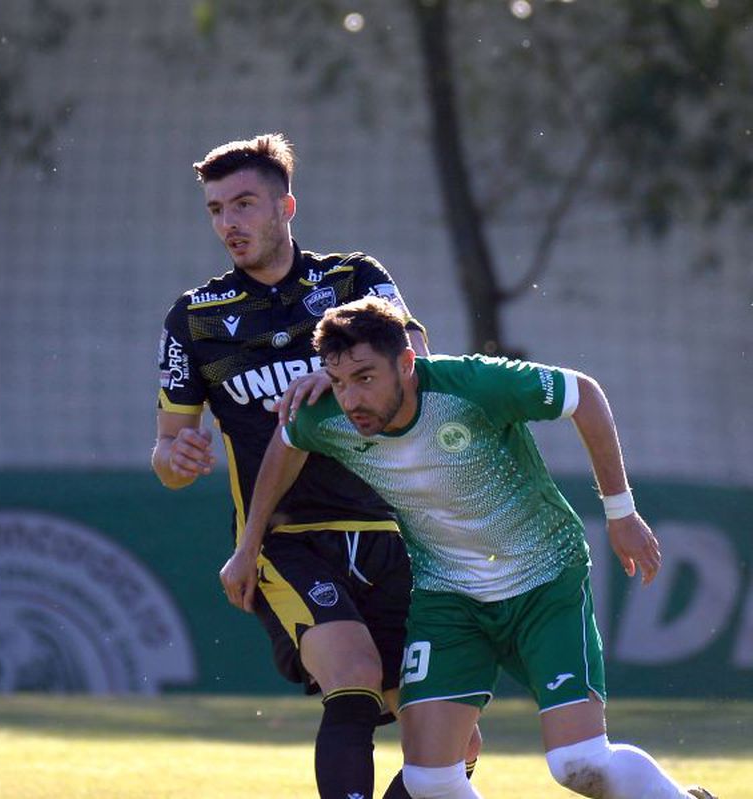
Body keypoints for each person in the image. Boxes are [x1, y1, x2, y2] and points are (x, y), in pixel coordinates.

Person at [222, 296, 717, 799]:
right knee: (429, 781)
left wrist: (621, 513)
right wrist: (249, 543)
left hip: (543, 582)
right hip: (448, 600)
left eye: (366, 378)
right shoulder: (330, 415)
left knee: (578, 764)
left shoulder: (473, 386)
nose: (351, 400)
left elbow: (583, 395)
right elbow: (287, 442)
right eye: (339, 380)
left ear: (407, 363)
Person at [153, 133, 479, 799]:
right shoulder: (195, 319)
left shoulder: (352, 281)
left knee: (454, 733)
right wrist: (172, 457)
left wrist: (337, 376)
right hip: (288, 539)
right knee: (353, 675)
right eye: (216, 209)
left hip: (393, 531)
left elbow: (415, 355)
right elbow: (168, 448)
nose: (228, 223)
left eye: (243, 204)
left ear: (286, 206)